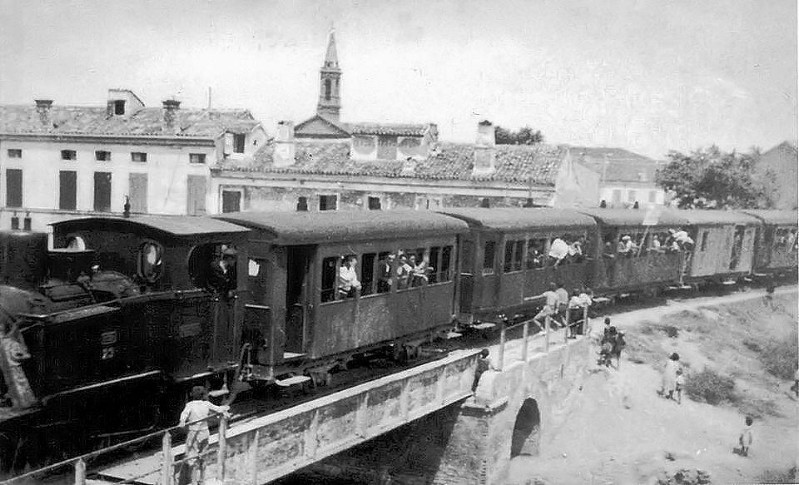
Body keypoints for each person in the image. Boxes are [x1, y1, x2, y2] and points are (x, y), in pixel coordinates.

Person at [179, 385, 230, 485]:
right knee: (203, 456)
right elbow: (218, 409)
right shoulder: (206, 404)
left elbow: (184, 414)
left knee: (192, 458)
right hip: (205, 432)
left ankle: (193, 482)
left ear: (191, 395)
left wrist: (182, 422)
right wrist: (225, 408)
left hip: (194, 433)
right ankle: (202, 480)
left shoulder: (190, 405)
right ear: (203, 395)